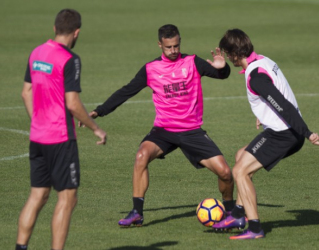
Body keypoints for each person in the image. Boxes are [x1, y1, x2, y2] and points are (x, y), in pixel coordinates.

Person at [85, 24, 234, 227]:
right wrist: (100, 110)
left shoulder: (192, 62)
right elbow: (127, 91)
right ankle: (137, 213)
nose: (173, 51)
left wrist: (222, 66)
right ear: (159, 45)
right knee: (141, 156)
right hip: (164, 130)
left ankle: (231, 211)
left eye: (176, 46)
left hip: (191, 131)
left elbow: (222, 75)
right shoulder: (150, 69)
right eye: (168, 47)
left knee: (225, 173)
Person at [211, 29, 319, 239]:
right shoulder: (263, 60)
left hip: (284, 134)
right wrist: (263, 113)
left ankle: (254, 228)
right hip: (282, 130)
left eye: (229, 54)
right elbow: (274, 93)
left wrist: (307, 133)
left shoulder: (255, 77)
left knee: (240, 171)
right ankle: (238, 214)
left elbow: (282, 105)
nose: (228, 58)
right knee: (241, 156)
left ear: (235, 53)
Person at [16, 9, 107, 250]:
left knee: (37, 196)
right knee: (67, 198)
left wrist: (37, 120)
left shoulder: (36, 52)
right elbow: (72, 102)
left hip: (37, 136)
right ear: (76, 32)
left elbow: (26, 92)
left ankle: (20, 247)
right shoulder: (70, 59)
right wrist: (96, 128)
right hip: (60, 139)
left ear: (55, 29)